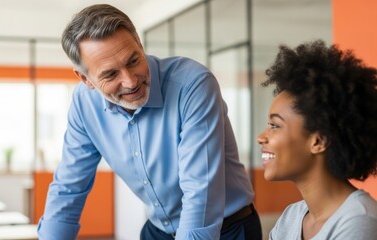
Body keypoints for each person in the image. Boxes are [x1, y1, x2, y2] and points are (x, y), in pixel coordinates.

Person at [37, 3, 262, 240]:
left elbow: (200, 193)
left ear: (139, 44)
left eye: (133, 61)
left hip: (227, 229)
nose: (130, 81)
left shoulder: (192, 85)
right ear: (85, 78)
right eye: (111, 74)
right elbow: (69, 187)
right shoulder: (85, 104)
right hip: (159, 230)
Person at [257, 40, 377, 240]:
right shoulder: (291, 217)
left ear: (318, 141)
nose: (261, 137)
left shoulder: (359, 221)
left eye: (275, 125)